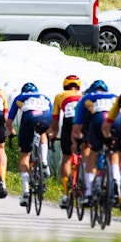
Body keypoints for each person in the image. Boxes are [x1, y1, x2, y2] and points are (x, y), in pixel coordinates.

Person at [7, 82, 53, 208]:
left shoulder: (20, 97)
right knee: (43, 133)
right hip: (46, 117)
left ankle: (25, 190)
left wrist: (11, 132)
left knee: (24, 155)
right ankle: (44, 162)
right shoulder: (45, 97)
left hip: (29, 118)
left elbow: (10, 120)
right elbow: (53, 116)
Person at [71, 79, 116, 208]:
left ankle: (89, 193)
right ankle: (116, 187)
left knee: (93, 153)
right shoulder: (114, 96)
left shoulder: (87, 98)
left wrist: (77, 141)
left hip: (96, 123)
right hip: (115, 123)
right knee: (115, 152)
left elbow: (77, 125)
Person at [49, 75, 84, 210]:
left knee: (66, 158)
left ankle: (65, 194)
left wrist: (53, 134)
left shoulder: (60, 96)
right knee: (87, 153)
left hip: (68, 124)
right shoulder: (83, 95)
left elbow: (56, 119)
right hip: (82, 124)